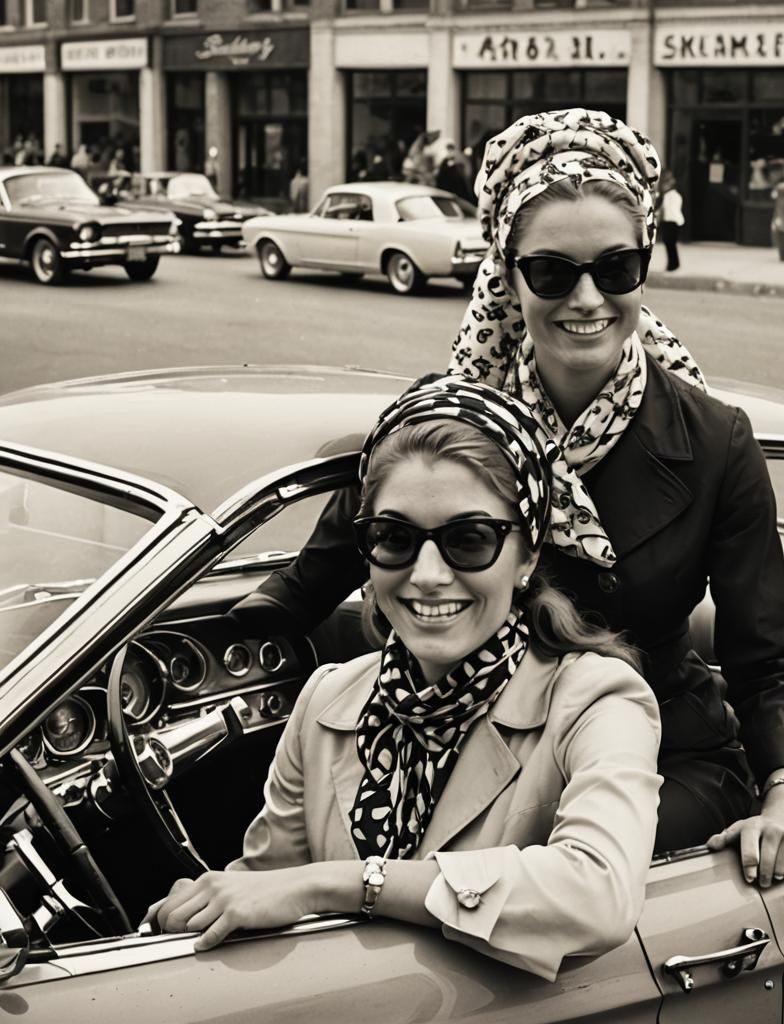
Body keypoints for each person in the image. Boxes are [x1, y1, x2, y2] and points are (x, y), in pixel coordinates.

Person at [230, 109, 784, 888]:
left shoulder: (714, 440)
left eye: (615, 269)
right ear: (506, 277)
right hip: (461, 739)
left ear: (644, 267)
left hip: (659, 752)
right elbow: (339, 556)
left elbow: (764, 658)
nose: (586, 298)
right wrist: (224, 643)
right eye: (551, 271)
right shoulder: (447, 419)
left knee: (506, 887)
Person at [151, 379, 662, 980]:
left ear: (526, 558)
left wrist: (343, 883)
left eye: (469, 540)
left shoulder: (597, 699)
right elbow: (267, 890)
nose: (426, 575)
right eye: (394, 538)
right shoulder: (327, 700)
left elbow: (597, 895)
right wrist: (197, 910)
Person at [657, 170, 684, 271]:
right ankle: (672, 264)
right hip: (669, 221)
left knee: (670, 243)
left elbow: (669, 211)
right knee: (669, 244)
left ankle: (673, 265)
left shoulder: (672, 196)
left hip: (671, 222)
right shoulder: (669, 196)